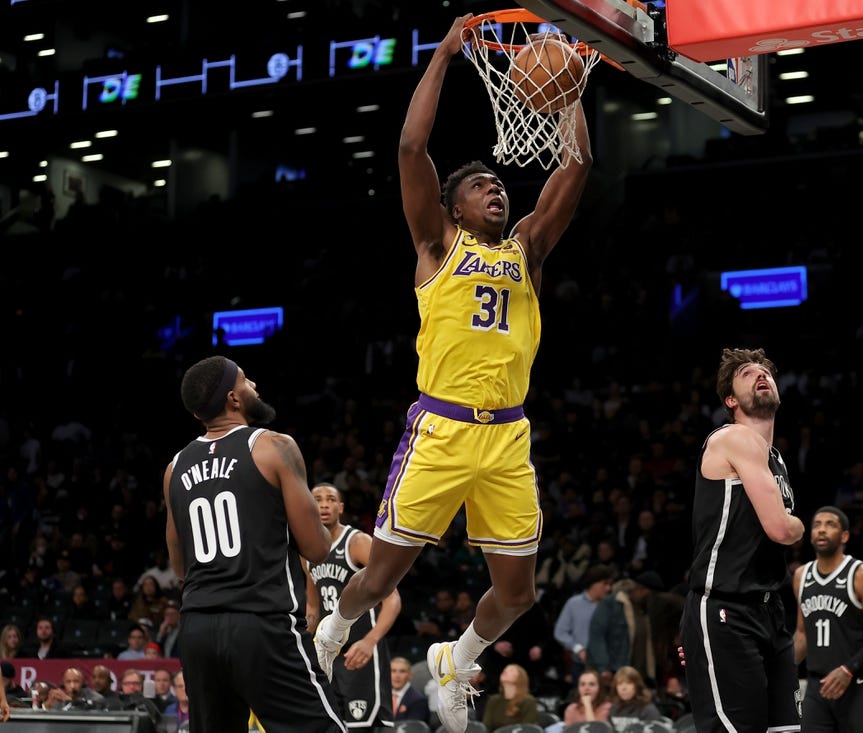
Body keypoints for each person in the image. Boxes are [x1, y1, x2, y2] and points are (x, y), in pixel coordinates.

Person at [313, 13, 592, 733]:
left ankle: (457, 658)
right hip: (440, 426)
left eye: (501, 185)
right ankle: (335, 627)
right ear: (454, 206)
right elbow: (411, 144)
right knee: (382, 577)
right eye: (482, 187)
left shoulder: (527, 247)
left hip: (506, 437)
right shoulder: (437, 243)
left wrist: (566, 86)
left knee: (520, 591)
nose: (496, 191)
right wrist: (443, 52)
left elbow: (578, 168)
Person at [164, 355, 345, 732]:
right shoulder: (272, 446)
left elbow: (180, 568)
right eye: (247, 382)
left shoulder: (175, 467)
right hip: (261, 622)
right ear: (233, 398)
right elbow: (317, 549)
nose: (254, 387)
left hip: (197, 627)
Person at [678, 347, 805, 733]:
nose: (761, 375)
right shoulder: (733, 437)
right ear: (731, 400)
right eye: (748, 374)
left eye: (765, 372)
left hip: (768, 610)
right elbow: (783, 530)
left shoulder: (776, 458)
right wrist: (798, 523)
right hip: (725, 609)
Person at [307, 482, 403, 729]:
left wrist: (370, 641)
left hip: (360, 649)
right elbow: (312, 609)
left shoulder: (357, 541)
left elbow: (392, 597)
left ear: (341, 507)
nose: (324, 504)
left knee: (366, 726)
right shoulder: (306, 550)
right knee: (332, 724)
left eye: (330, 499)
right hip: (328, 652)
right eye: (317, 499)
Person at [792, 505, 863, 733]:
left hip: (858, 683)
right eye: (817, 525)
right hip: (818, 685)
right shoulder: (801, 576)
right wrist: (782, 670)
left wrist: (847, 669)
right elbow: (802, 634)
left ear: (845, 535)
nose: (822, 530)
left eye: (830, 525)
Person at [553, 564, 614, 684]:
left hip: (607, 667)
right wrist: (578, 648)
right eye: (605, 583)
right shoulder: (574, 604)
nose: (608, 588)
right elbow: (560, 632)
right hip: (581, 666)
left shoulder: (612, 606)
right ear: (593, 583)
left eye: (610, 584)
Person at [482, 663, 539, 730]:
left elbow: (528, 729)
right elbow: (486, 727)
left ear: (520, 678)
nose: (505, 671)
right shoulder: (494, 700)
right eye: (505, 669)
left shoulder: (528, 701)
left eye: (511, 670)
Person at [608, 665, 661, 731]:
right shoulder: (613, 708)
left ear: (637, 685)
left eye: (628, 683)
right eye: (619, 683)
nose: (623, 688)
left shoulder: (648, 710)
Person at [391, 656, 430, 723]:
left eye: (402, 671)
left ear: (410, 675)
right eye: (393, 671)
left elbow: (413, 728)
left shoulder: (418, 700)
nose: (397, 676)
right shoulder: (380, 697)